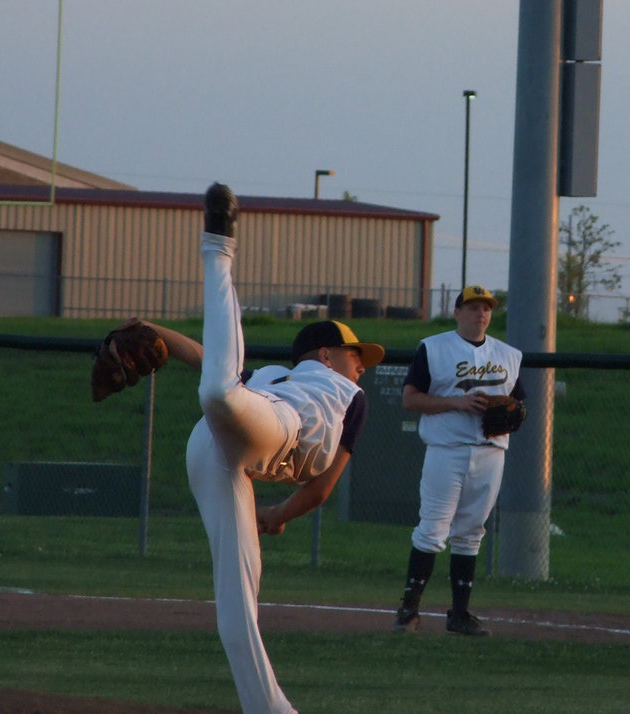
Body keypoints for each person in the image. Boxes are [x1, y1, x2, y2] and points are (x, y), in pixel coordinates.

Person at [139, 182, 384, 714]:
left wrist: (144, 330)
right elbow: (321, 489)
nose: (362, 362)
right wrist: (278, 513)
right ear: (325, 353)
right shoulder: (346, 393)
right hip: (265, 429)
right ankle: (218, 246)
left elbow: (208, 354)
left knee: (239, 601)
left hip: (232, 442)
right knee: (216, 390)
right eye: (354, 353)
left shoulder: (274, 378)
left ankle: (269, 709)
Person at [390, 285, 525, 637]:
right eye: (473, 307)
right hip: (446, 450)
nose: (481, 313)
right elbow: (410, 400)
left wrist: (512, 414)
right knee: (433, 529)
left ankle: (460, 615)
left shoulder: (508, 354)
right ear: (457, 312)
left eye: (487, 308)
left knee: (470, 533)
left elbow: (518, 403)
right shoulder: (433, 348)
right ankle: (408, 611)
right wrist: (456, 403)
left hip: (491, 452)